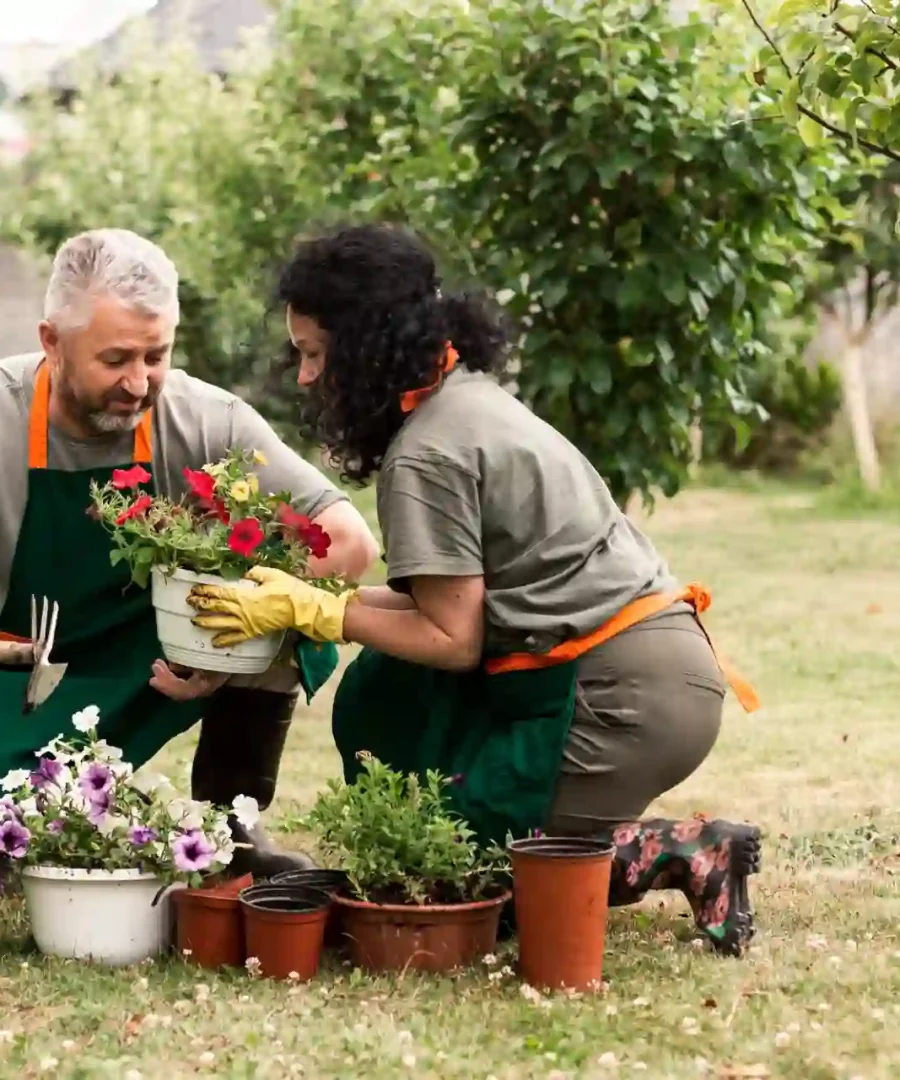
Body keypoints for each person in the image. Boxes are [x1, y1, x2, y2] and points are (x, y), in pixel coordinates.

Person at [188, 223, 763, 956]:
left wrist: (322, 609)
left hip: (621, 695)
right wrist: (314, 599)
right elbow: (452, 606)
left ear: (364, 347)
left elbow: (451, 639)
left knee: (448, 883)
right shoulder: (466, 397)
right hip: (644, 669)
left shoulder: (427, 453)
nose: (304, 376)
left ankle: (687, 850)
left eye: (313, 354)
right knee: (381, 687)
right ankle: (549, 832)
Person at [0, 228, 379, 876]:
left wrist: (225, 642)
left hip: (144, 659)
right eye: (115, 358)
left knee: (287, 612)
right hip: (15, 665)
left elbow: (348, 543)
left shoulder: (204, 420)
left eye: (156, 356)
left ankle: (231, 835)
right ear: (52, 343)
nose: (138, 381)